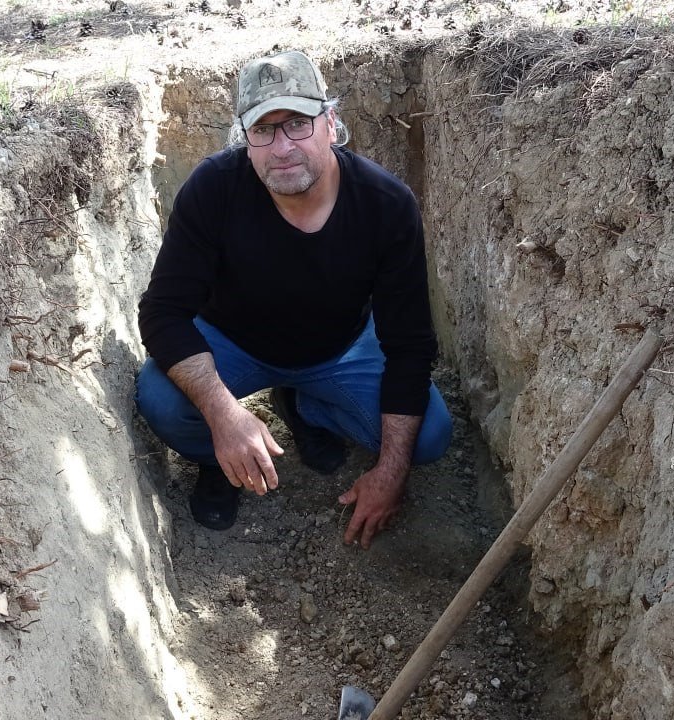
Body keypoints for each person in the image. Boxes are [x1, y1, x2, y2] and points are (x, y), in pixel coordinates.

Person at [135, 50, 452, 548]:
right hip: (233, 343)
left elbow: (409, 343)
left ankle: (305, 406)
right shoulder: (213, 189)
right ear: (245, 138)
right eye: (263, 130)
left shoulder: (386, 204)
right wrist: (224, 416)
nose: (282, 147)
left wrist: (392, 472)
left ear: (330, 123)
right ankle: (219, 460)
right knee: (162, 401)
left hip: (341, 348)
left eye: (298, 124)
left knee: (428, 437)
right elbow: (162, 312)